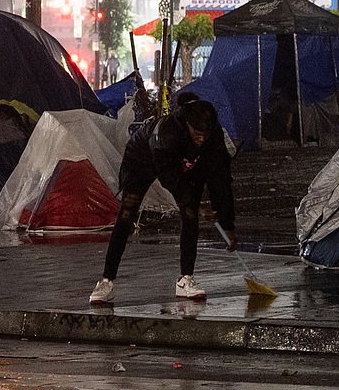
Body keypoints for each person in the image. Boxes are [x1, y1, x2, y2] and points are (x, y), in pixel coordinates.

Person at [91, 93, 235, 305]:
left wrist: (226, 221)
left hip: (184, 164)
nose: (201, 138)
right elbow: (170, 177)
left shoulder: (213, 138)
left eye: (205, 133)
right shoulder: (166, 133)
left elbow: (220, 179)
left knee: (190, 212)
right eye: (197, 133)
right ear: (187, 124)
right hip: (142, 160)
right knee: (127, 213)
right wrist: (187, 197)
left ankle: (186, 279)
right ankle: (106, 280)